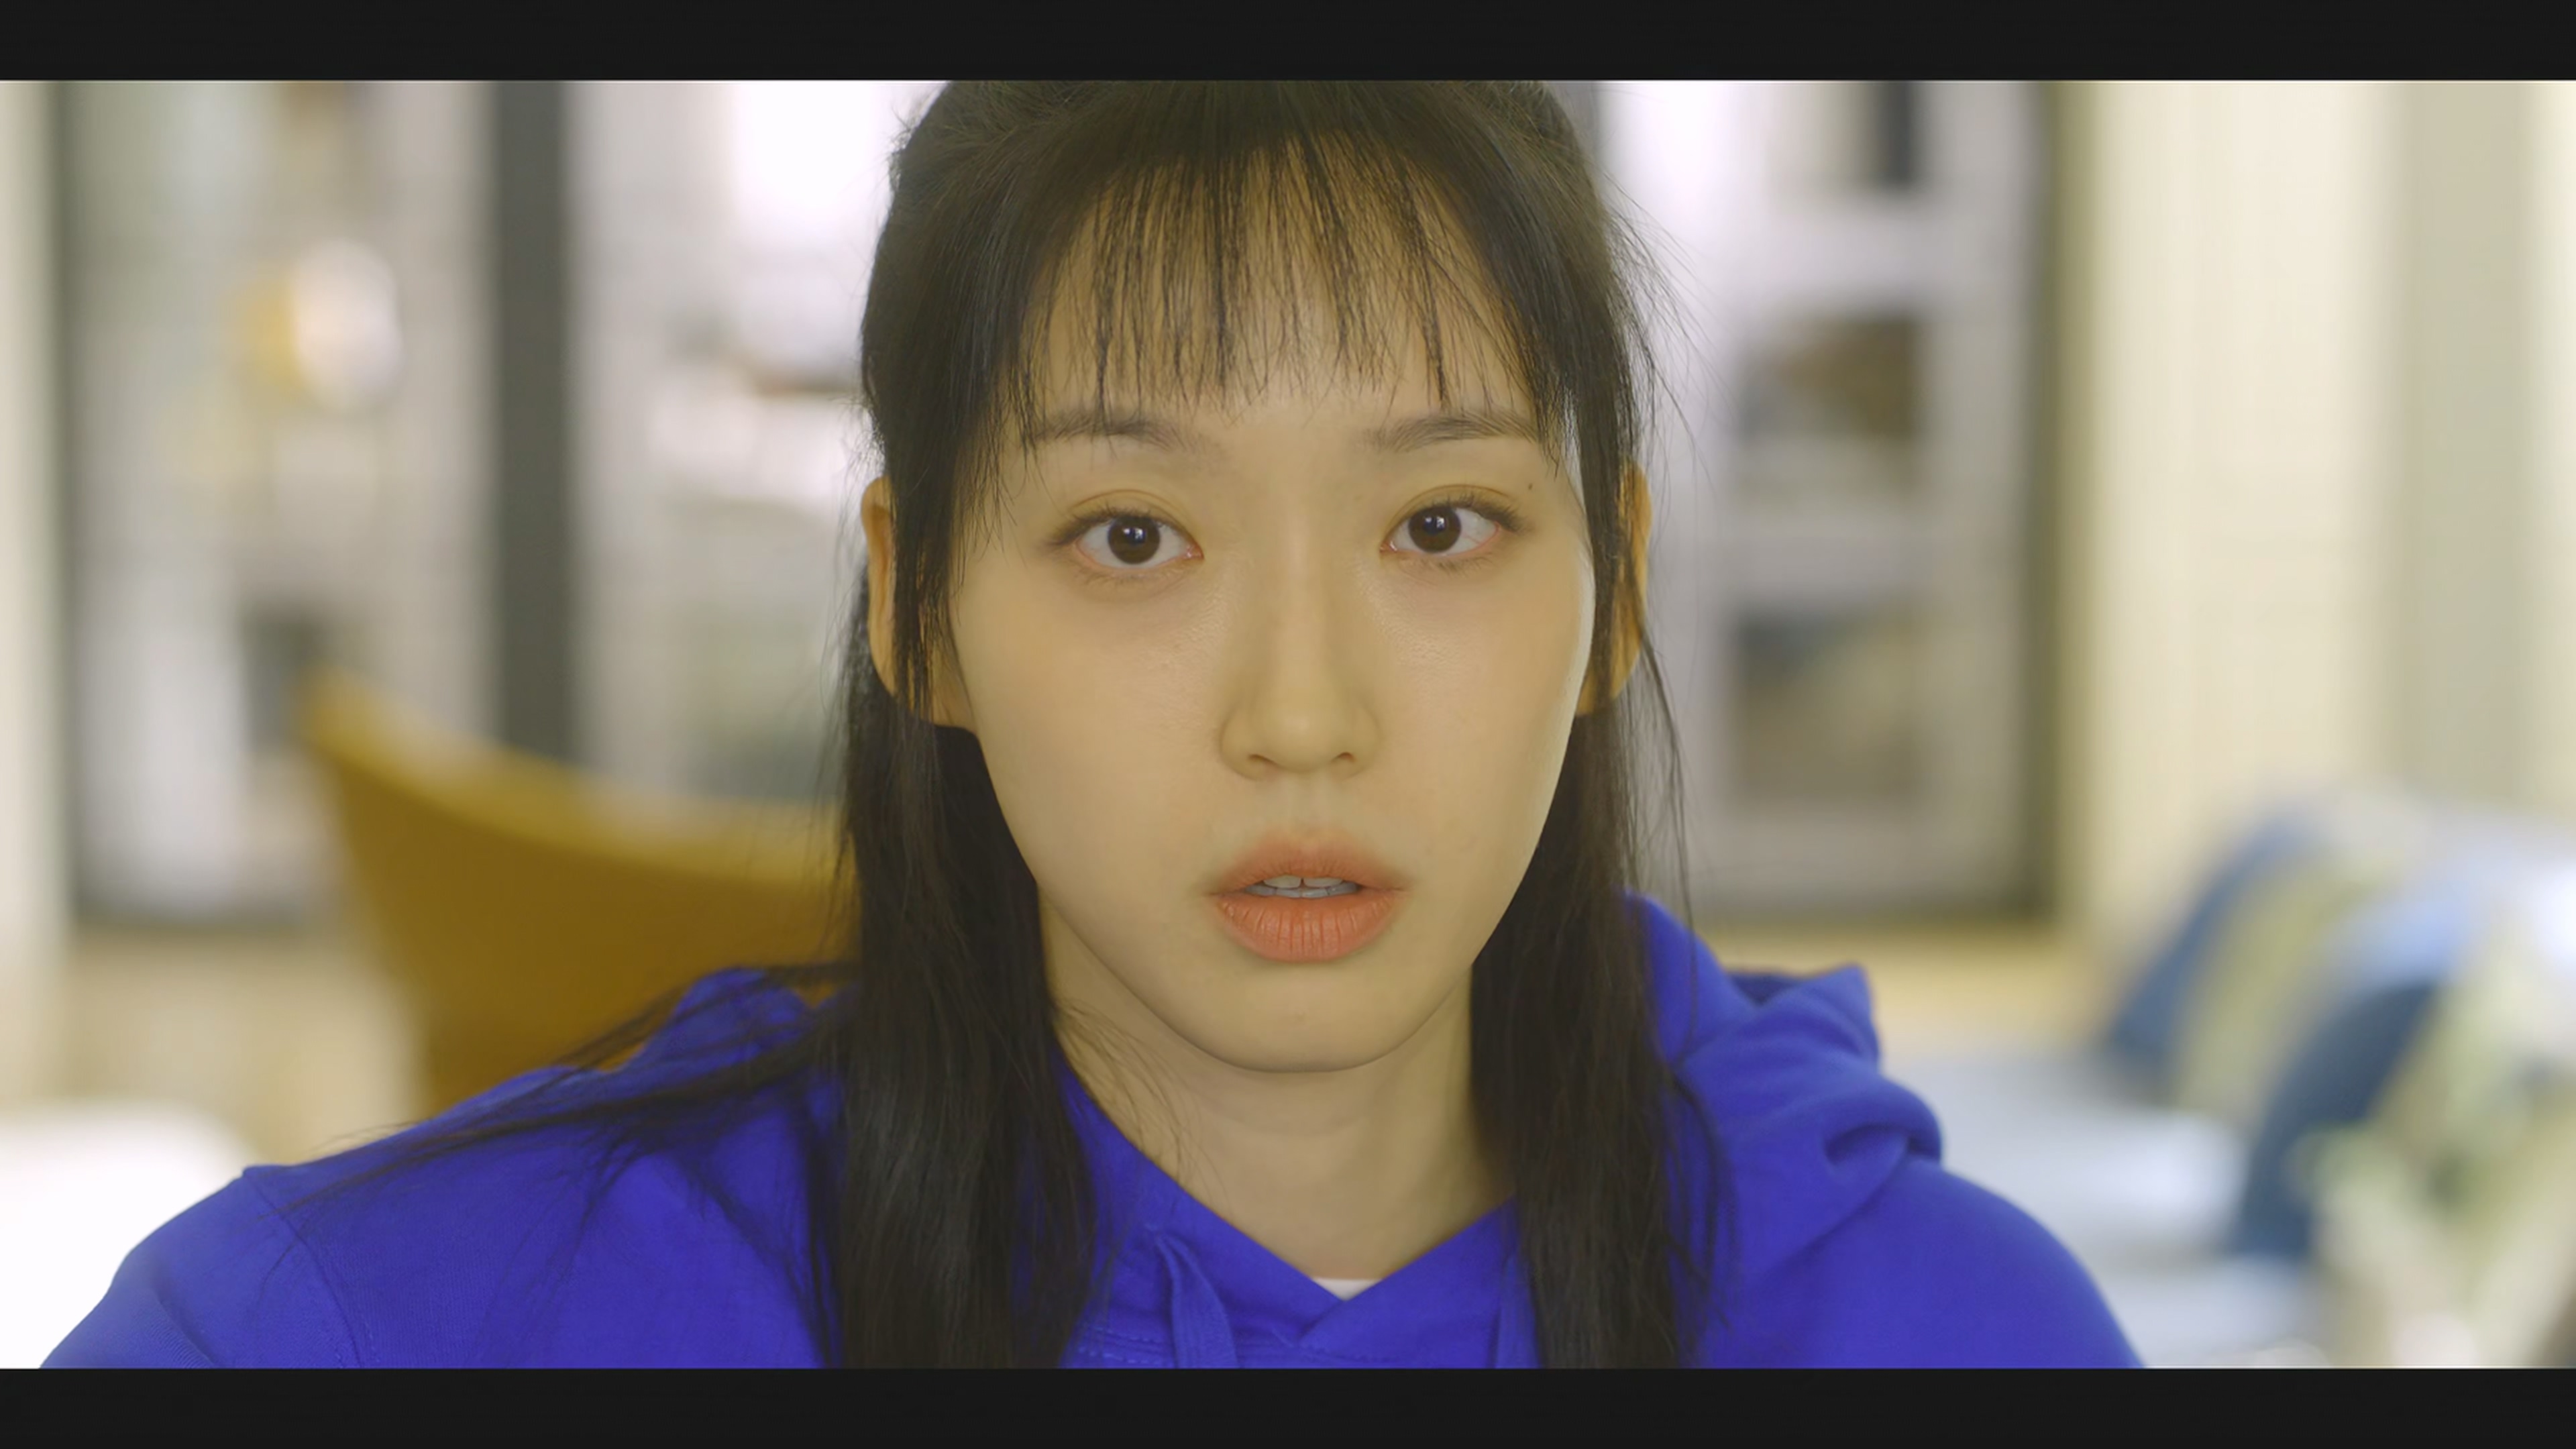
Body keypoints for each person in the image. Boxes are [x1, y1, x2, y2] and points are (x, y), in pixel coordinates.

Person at [48, 81, 2137, 1368]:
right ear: (917, 610)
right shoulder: (388, 1325)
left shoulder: (1947, 1328)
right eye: (1134, 537)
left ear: (1618, 588)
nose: (1302, 715)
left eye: (1441, 526)